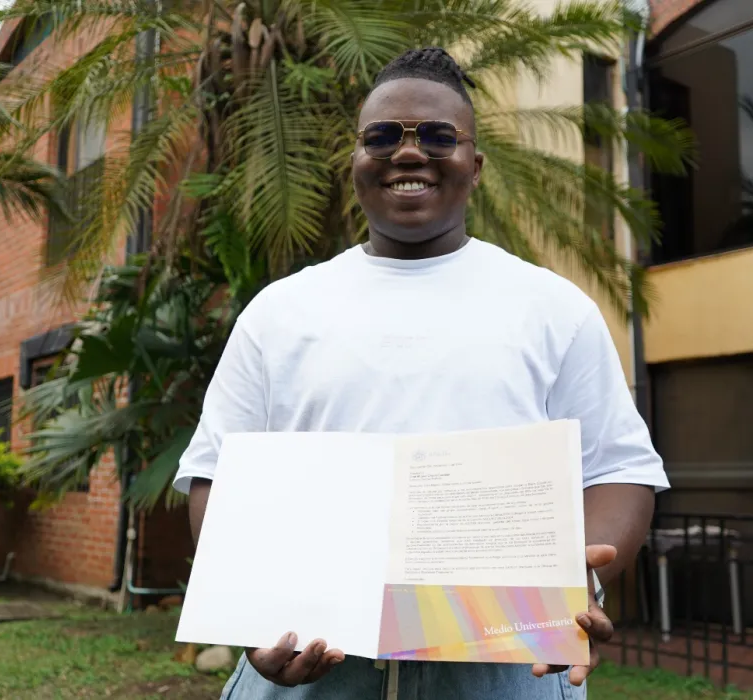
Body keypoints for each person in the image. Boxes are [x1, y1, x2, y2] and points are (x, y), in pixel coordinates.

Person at [173, 47, 669, 700]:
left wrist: (581, 580)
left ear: (475, 165)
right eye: (382, 137)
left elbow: (620, 471)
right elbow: (217, 474)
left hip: (505, 673)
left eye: (438, 136)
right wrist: (253, 614)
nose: (408, 152)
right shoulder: (279, 312)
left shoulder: (554, 308)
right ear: (355, 160)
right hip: (306, 670)